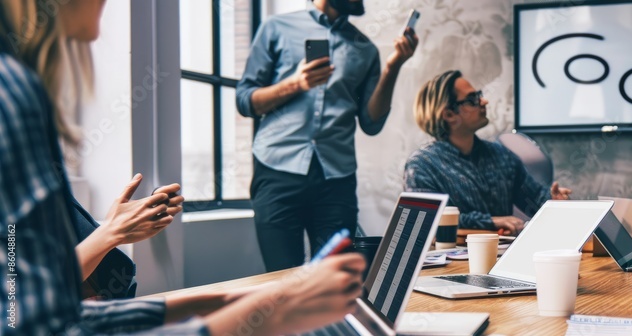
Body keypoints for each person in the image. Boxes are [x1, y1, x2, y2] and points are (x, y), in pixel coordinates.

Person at [1, 0, 365, 334]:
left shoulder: (17, 86)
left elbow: (45, 311)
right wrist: (268, 314)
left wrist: (214, 303)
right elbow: (29, 325)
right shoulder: (13, 92)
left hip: (335, 174)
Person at [237, 0, 418, 272]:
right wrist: (295, 84)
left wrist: (393, 67)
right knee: (282, 278)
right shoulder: (276, 28)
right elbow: (245, 101)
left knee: (336, 279)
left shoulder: (365, 48)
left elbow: (371, 123)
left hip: (336, 180)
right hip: (277, 171)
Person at [404, 70, 572, 235]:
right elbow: (427, 222)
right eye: (472, 99)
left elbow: (533, 199)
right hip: (450, 261)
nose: (484, 101)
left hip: (503, 258)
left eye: (479, 95)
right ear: (449, 114)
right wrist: (490, 221)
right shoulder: (421, 165)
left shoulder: (501, 155)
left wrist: (552, 200)